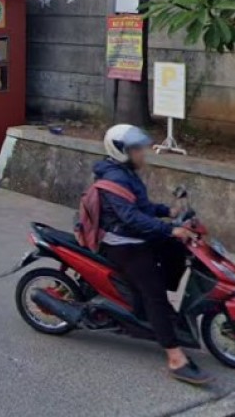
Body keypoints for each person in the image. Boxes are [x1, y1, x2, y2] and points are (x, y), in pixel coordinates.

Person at [95, 124, 211, 386]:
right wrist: (170, 229)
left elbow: (143, 207)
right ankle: (175, 359)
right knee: (154, 293)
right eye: (136, 149)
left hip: (136, 235)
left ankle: (158, 308)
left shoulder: (126, 173)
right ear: (122, 151)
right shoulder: (114, 179)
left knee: (177, 249)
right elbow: (132, 218)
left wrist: (168, 212)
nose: (142, 153)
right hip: (123, 244)